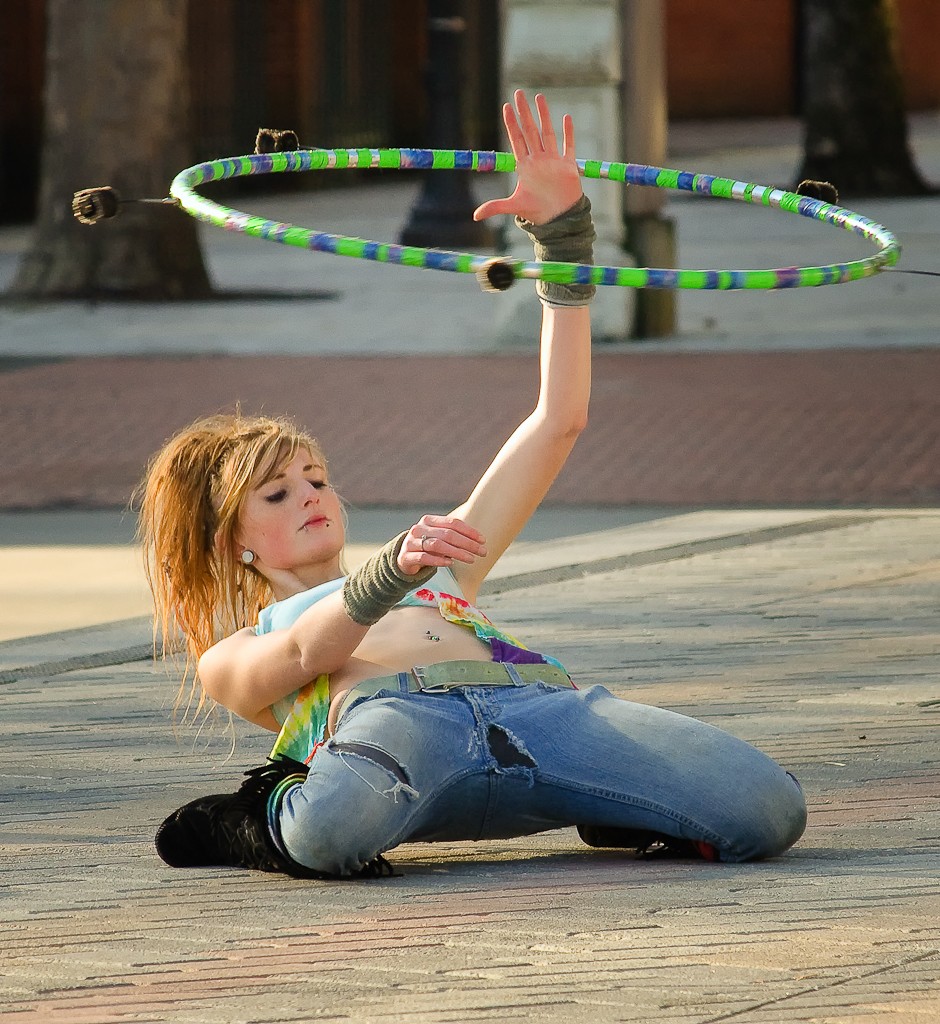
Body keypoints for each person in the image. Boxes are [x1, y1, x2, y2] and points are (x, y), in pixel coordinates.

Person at [140, 92, 806, 880]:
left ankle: (610, 803)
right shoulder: (235, 651)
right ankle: (254, 819)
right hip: (397, 732)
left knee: (768, 811)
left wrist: (562, 236)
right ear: (233, 542)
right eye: (277, 495)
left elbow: (559, 419)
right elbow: (303, 649)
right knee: (330, 831)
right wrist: (389, 574)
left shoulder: (439, 565)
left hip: (539, 710)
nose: (311, 495)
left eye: (315, 477)